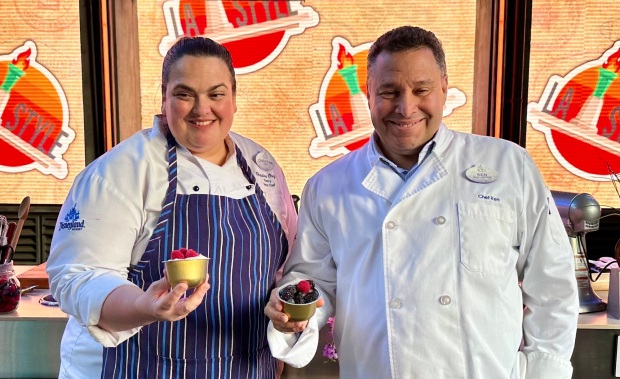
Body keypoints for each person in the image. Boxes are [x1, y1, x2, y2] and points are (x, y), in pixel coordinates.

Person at [264, 25, 578, 379]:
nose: (405, 106)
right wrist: (293, 311)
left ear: (444, 88)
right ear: (368, 93)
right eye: (389, 91)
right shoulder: (329, 186)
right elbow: (313, 281)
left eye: (421, 89)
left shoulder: (509, 166)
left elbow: (552, 287)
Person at [46, 36, 297, 378]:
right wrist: (144, 306)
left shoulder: (261, 166)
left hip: (246, 368)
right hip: (138, 368)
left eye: (216, 94)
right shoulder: (121, 171)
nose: (201, 109)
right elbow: (76, 278)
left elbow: (284, 268)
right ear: (164, 97)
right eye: (184, 94)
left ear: (234, 99)